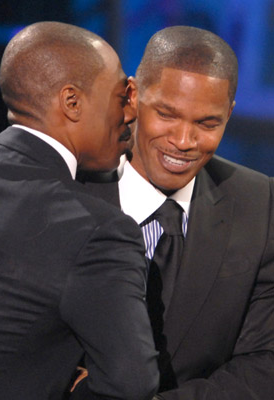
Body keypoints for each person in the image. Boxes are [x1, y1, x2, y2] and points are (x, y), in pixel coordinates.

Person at [0, 21, 161, 400]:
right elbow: (130, 385)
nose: (130, 113)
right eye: (121, 96)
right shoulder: (99, 232)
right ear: (72, 103)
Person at [79, 26, 274, 400]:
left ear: (229, 114)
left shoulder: (259, 204)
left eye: (207, 123)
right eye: (167, 115)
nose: (184, 142)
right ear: (133, 96)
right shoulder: (67, 190)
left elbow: (264, 363)